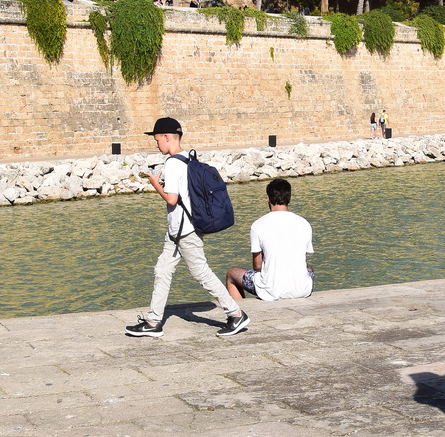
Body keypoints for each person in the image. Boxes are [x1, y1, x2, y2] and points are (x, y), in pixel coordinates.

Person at [125, 117, 248, 339]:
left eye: (157, 139)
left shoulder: (172, 163)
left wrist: (156, 186)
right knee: (162, 270)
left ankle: (236, 313)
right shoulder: (187, 159)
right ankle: (153, 321)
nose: (156, 144)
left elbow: (172, 199)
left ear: (167, 137)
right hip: (177, 230)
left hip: (185, 230)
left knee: (201, 273)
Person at [225, 179, 314, 304]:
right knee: (309, 268)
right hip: (302, 289)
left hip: (271, 291)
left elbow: (257, 266)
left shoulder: (258, 225)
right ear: (289, 198)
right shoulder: (304, 224)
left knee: (231, 274)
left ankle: (240, 313)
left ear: (268, 198)